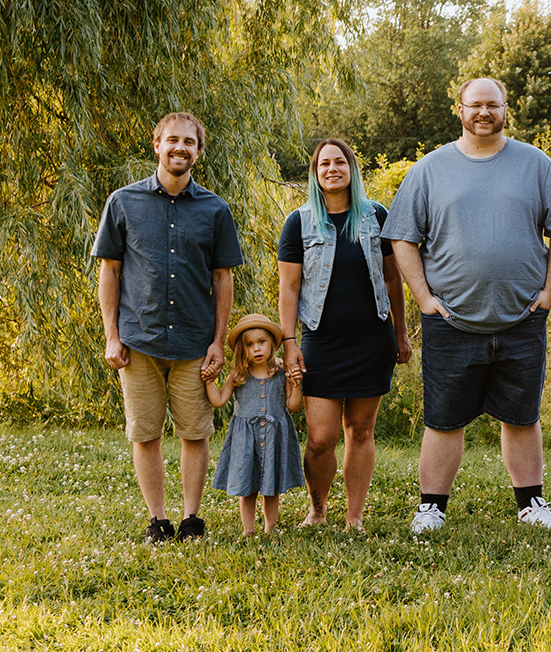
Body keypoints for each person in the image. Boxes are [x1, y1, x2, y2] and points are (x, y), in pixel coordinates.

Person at [383, 77, 551, 534]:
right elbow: (401, 237)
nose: (484, 113)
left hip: (521, 318)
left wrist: (549, 294)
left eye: (493, 105)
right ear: (460, 109)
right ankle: (431, 507)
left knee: (522, 415)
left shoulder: (534, 164)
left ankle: (531, 504)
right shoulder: (431, 169)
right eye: (475, 105)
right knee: (443, 418)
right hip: (450, 320)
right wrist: (424, 299)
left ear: (505, 109)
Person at [94, 111, 243, 542]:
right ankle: (158, 520)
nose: (180, 148)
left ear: (198, 150)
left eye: (189, 142)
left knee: (194, 433)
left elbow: (222, 278)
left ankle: (192, 519)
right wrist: (111, 336)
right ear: (157, 145)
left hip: (195, 342)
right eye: (172, 140)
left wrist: (219, 341)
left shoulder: (215, 209)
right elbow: (110, 271)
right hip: (138, 340)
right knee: (145, 433)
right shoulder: (123, 203)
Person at [277, 138, 410, 530]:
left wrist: (401, 335)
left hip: (372, 340)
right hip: (321, 341)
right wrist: (289, 343)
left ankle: (355, 516)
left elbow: (391, 278)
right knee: (321, 437)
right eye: (324, 164)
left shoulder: (376, 216)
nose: (332, 169)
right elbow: (289, 288)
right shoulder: (299, 222)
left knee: (361, 430)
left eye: (340, 162)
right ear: (315, 174)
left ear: (352, 169)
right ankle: (317, 509)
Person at [206, 314, 306, 535]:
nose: (256, 349)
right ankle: (248, 530)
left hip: (274, 436)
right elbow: (218, 401)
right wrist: (209, 381)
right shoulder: (238, 375)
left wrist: (296, 385)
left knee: (271, 488)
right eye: (250, 345)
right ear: (243, 349)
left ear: (272, 344)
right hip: (245, 439)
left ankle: (271, 527)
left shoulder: (281, 372)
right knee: (247, 487)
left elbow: (293, 406)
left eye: (261, 342)